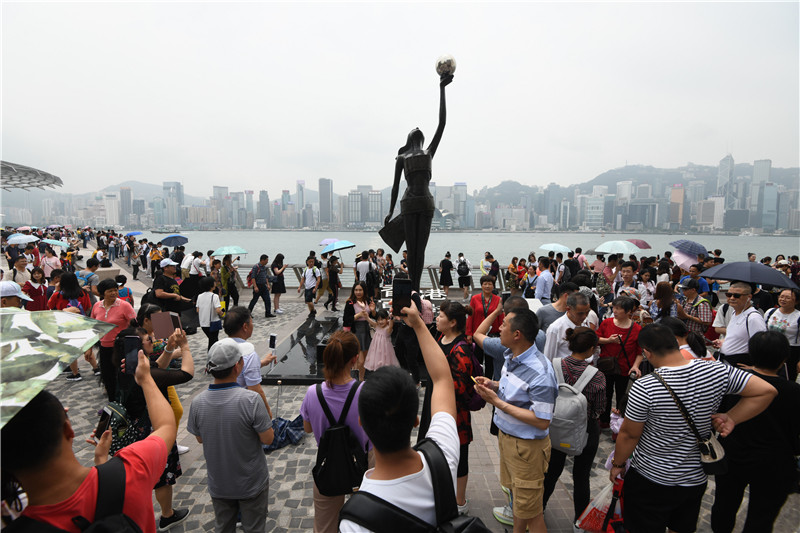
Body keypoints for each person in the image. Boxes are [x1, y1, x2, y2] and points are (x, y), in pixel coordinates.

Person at [609, 323, 777, 533]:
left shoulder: (645, 387)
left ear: (647, 353)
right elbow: (766, 390)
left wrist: (618, 464)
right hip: (694, 477)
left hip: (651, 477)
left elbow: (629, 434)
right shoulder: (716, 369)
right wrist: (731, 417)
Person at [0, 353, 175, 533]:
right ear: (68, 429)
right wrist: (145, 379)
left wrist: (101, 460)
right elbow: (166, 426)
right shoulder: (131, 470)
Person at [338, 300, 458, 532]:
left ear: (362, 424)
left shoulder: (354, 522)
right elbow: (443, 378)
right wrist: (419, 324)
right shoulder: (443, 456)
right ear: (415, 421)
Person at [474, 308, 558, 533]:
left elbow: (542, 420)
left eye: (504, 325)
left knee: (533, 512)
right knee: (520, 504)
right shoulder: (511, 356)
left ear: (517, 334)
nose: (499, 328)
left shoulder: (541, 372)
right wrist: (493, 384)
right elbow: (517, 391)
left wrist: (497, 402)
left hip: (527, 450)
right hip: (509, 441)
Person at [711, 331, 800, 533]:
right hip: (775, 462)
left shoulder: (736, 382)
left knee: (724, 506)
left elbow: (717, 413)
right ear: (784, 359)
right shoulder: (793, 391)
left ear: (751, 354)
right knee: (762, 517)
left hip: (733, 455)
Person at [187, 339, 274, 533]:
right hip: (251, 481)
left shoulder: (197, 402)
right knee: (254, 527)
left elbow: (200, 438)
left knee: (223, 526)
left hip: (219, 482)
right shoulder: (251, 400)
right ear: (237, 366)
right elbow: (268, 439)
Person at [114, 327, 193, 531]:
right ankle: (167, 515)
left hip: (136, 428)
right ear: (138, 347)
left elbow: (157, 366)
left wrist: (169, 347)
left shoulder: (126, 367)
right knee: (163, 476)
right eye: (149, 339)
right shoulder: (147, 374)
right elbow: (186, 374)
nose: (153, 340)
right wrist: (185, 347)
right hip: (154, 427)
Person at [381, 73, 452, 293]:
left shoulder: (429, 152)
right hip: (411, 204)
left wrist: (442, 89)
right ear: (411, 137)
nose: (417, 127)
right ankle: (413, 288)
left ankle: (416, 288)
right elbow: (395, 187)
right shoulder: (402, 158)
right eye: (414, 129)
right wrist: (390, 211)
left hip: (424, 204)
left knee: (420, 249)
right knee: (412, 249)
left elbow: (442, 124)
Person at [300, 331, 371, 533]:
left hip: (328, 465)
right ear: (354, 359)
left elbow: (307, 428)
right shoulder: (365, 391)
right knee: (364, 524)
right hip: (361, 466)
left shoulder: (313, 393)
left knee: (324, 526)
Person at [542, 327, 606, 530]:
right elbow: (599, 409)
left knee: (550, 472)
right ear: (591, 349)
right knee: (581, 476)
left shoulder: (554, 365)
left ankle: (538, 510)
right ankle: (579, 522)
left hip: (556, 425)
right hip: (586, 430)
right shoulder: (596, 376)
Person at [422, 300, 476, 514]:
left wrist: (440, 381)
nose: (437, 318)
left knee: (459, 455)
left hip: (455, 412)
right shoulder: (441, 338)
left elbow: (461, 386)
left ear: (453, 322)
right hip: (435, 402)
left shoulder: (460, 348)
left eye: (441, 316)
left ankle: (460, 502)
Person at [596, 297, 643, 427]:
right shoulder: (607, 323)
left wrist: (635, 366)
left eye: (618, 309)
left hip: (625, 368)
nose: (615, 311)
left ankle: (620, 421)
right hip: (607, 366)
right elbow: (596, 339)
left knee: (622, 395)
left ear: (628, 311)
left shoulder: (636, 329)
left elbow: (640, 352)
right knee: (605, 394)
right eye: (614, 308)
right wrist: (609, 340)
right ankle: (604, 420)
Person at [224, 306, 276, 415]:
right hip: (241, 408)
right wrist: (267, 412)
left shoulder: (222, 347)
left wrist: (261, 363)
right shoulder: (249, 354)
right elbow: (255, 389)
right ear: (245, 326)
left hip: (223, 404)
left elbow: (240, 370)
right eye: (251, 322)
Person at [91, 278, 136, 401]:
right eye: (110, 291)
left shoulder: (124, 306)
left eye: (115, 290)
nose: (114, 293)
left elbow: (134, 325)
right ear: (102, 293)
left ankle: (126, 402)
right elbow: (93, 328)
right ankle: (112, 402)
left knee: (123, 376)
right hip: (104, 348)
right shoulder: (97, 306)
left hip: (121, 348)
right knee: (107, 376)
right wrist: (88, 348)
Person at [711, 282, 767, 368]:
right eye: (729, 295)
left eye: (737, 296)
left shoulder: (753, 318)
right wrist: (723, 342)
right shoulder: (735, 313)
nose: (732, 298)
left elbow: (762, 346)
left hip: (740, 365)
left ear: (749, 297)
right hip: (726, 362)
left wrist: (755, 368)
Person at [466, 275, 503, 379]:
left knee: (490, 361)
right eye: (485, 284)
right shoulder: (475, 299)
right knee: (477, 359)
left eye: (490, 284)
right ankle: (477, 380)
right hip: (477, 334)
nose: (487, 286)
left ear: (493, 286)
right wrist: (469, 333)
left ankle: (488, 381)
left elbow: (501, 317)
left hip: (492, 335)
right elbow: (470, 316)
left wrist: (502, 333)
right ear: (481, 286)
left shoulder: (498, 300)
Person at [543, 292, 593, 362]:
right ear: (568, 309)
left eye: (587, 312)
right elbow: (548, 358)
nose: (584, 316)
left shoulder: (585, 322)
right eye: (580, 313)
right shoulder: (555, 328)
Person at [342, 281, 375, 381]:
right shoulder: (350, 302)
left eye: (360, 290)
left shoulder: (368, 301)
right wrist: (358, 315)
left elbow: (375, 316)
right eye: (356, 290)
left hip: (366, 331)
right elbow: (346, 320)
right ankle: (356, 379)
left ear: (364, 291)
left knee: (364, 360)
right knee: (359, 360)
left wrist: (373, 310)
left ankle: (361, 379)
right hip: (356, 331)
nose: (358, 292)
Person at [765, 288, 800, 382]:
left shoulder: (798, 316)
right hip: (770, 348)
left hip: (791, 352)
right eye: (781, 296)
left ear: (796, 301)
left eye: (788, 298)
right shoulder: (770, 312)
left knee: (787, 379)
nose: (783, 299)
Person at [363, 309, 398, 376]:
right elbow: (370, 320)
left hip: (385, 350)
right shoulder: (377, 326)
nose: (380, 322)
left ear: (386, 319)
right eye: (378, 320)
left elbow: (391, 325)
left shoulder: (388, 329)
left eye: (382, 319)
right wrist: (366, 316)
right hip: (376, 350)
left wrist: (391, 317)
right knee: (376, 363)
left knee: (385, 364)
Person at [197, 276, 224, 351]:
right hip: (213, 322)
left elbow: (197, 310)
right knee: (213, 341)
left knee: (212, 339)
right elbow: (218, 310)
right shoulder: (214, 296)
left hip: (203, 323)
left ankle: (215, 354)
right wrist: (222, 313)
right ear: (211, 285)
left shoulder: (199, 296)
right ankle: (212, 355)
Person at [247, 254, 275, 318]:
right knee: (254, 300)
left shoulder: (264, 267)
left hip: (264, 286)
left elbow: (266, 276)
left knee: (267, 300)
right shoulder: (256, 267)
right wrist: (255, 287)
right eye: (266, 260)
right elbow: (253, 277)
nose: (267, 261)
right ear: (262, 260)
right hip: (258, 285)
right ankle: (248, 313)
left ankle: (268, 313)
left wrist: (268, 284)